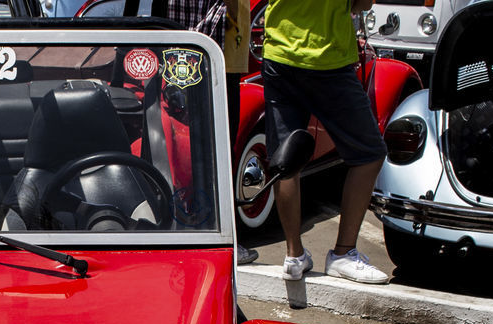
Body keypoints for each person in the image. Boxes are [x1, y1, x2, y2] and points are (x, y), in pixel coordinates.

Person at [262, 0, 389, 284]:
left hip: (279, 53)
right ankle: (343, 252)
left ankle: (294, 255)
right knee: (370, 154)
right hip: (325, 56)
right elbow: (362, 3)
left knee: (286, 160)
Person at [166, 0, 258, 265]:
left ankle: (198, 228)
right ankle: (207, 232)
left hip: (208, 52)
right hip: (205, 55)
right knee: (210, 151)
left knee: (206, 148)